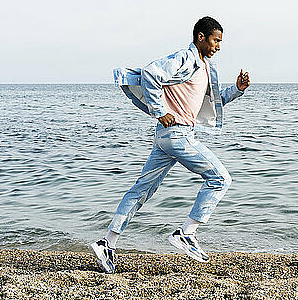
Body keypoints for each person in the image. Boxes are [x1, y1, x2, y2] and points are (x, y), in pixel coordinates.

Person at [90, 16, 250, 273]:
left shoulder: (204, 66)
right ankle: (186, 233)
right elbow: (151, 74)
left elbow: (212, 102)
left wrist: (238, 89)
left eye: (221, 41)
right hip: (177, 134)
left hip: (165, 138)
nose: (219, 46)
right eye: (215, 40)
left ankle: (107, 243)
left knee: (141, 190)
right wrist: (158, 110)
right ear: (201, 37)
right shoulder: (186, 59)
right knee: (221, 178)